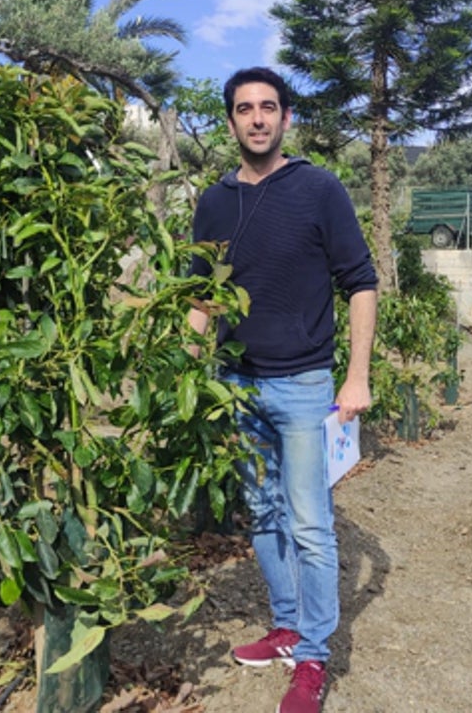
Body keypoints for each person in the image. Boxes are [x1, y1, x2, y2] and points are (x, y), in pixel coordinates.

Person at [188, 67, 378, 713]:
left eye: (269, 107)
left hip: (303, 386)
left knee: (310, 524)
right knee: (264, 515)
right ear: (231, 121)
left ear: (287, 118)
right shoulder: (214, 201)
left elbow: (360, 281)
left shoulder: (319, 189)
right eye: (245, 108)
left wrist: (357, 376)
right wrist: (187, 372)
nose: (258, 118)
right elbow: (201, 296)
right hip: (237, 387)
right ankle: (288, 626)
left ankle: (314, 658)